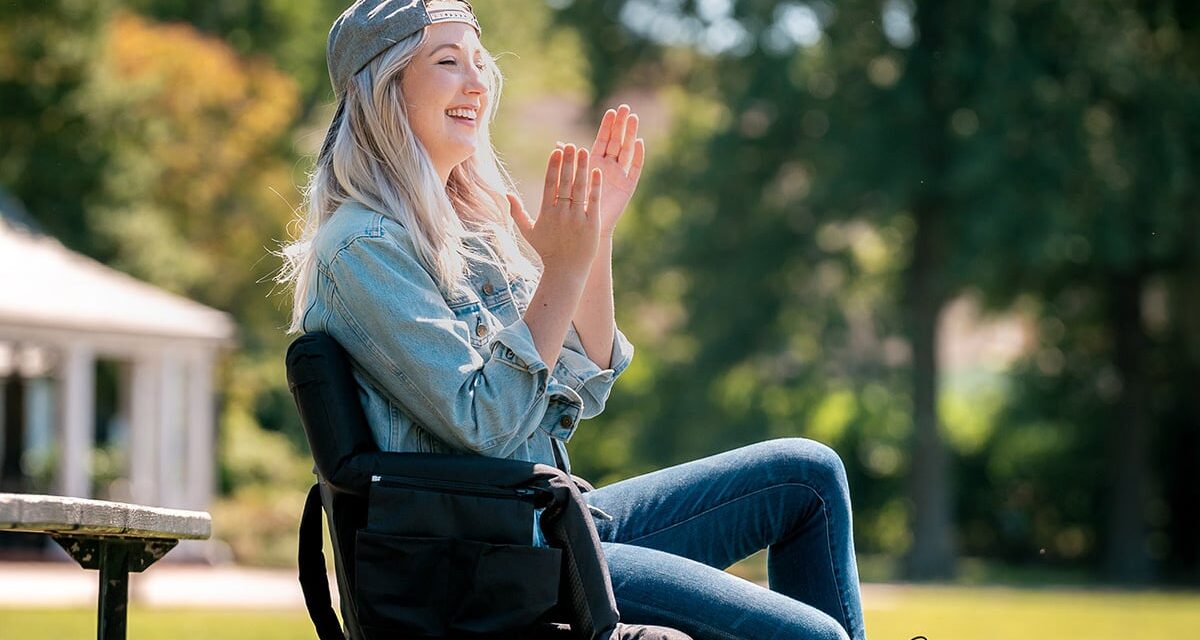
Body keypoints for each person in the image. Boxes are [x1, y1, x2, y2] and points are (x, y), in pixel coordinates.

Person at [280, 2, 867, 639]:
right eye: (446, 63)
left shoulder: (466, 233)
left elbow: (586, 381)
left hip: (547, 523)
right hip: (493, 561)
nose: (476, 83)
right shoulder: (365, 247)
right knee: (814, 638)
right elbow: (487, 423)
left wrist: (596, 239)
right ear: (383, 89)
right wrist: (562, 268)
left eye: (480, 64)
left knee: (807, 474)